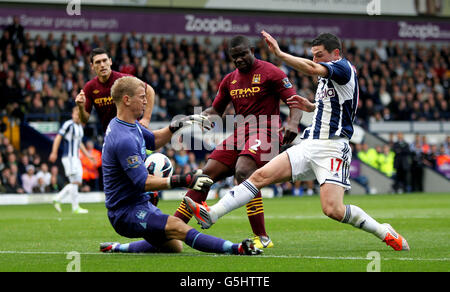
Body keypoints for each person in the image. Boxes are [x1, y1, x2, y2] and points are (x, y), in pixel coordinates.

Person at [185, 31, 409, 252]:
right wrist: (312, 106)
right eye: (313, 55)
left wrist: (280, 54)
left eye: (319, 55)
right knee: (257, 176)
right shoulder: (327, 78)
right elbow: (335, 103)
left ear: (336, 53)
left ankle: (383, 231)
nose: (315, 60)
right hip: (309, 143)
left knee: (333, 210)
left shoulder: (343, 67)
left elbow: (312, 69)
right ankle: (212, 214)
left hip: (332, 147)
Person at [99, 76, 261, 256]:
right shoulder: (123, 138)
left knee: (174, 246)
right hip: (125, 212)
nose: (146, 101)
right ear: (126, 100)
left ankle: (115, 248)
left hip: (139, 203)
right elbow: (142, 182)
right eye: (141, 97)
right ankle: (237, 248)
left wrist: (182, 123)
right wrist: (185, 179)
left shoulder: (128, 125)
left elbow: (154, 140)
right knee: (178, 226)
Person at [173, 35, 303, 249]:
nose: (239, 59)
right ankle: (174, 229)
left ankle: (262, 237)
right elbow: (216, 110)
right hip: (240, 132)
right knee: (205, 175)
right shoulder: (229, 80)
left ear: (252, 50)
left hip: (266, 130)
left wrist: (292, 123)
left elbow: (294, 101)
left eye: (243, 54)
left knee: (244, 171)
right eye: (234, 57)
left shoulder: (272, 72)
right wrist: (198, 118)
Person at [75, 48, 155, 134]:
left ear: (110, 61)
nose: (102, 65)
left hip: (132, 132)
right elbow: (84, 119)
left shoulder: (123, 80)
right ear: (92, 66)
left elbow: (149, 90)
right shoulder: (90, 87)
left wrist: (146, 118)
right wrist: (81, 107)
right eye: (98, 62)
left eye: (104, 60)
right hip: (110, 136)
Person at [49, 106, 92, 214]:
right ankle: (74, 207)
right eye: (75, 114)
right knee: (75, 182)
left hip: (76, 158)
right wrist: (54, 152)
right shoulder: (68, 124)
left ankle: (59, 199)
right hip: (69, 157)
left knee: (77, 182)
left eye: (79, 114)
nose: (77, 116)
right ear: (72, 114)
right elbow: (58, 137)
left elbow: (79, 143)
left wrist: (88, 155)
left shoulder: (80, 127)